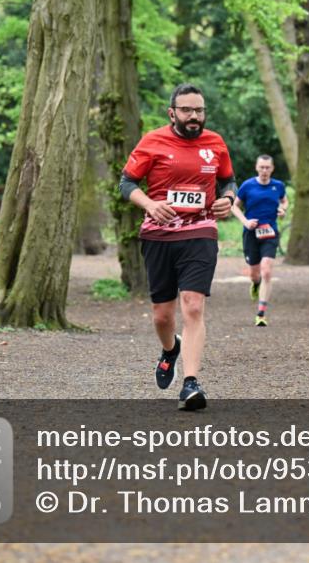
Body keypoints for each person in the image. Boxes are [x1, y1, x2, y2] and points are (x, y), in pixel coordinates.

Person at [119, 83, 236, 410]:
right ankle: (170, 348)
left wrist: (228, 198)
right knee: (161, 316)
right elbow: (126, 183)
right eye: (187, 110)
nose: (194, 116)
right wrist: (149, 205)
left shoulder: (215, 143)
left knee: (194, 305)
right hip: (158, 234)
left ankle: (190, 383)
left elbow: (228, 180)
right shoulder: (153, 141)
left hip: (200, 231)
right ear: (173, 113)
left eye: (199, 110)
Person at [230, 155, 288, 326]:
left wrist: (283, 209)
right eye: (261, 167)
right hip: (251, 234)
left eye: (267, 168)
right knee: (255, 273)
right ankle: (255, 283)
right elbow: (234, 206)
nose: (264, 171)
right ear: (256, 167)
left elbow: (284, 201)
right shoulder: (248, 185)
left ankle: (261, 313)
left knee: (267, 270)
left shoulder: (278, 186)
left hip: (270, 233)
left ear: (272, 168)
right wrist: (246, 222)